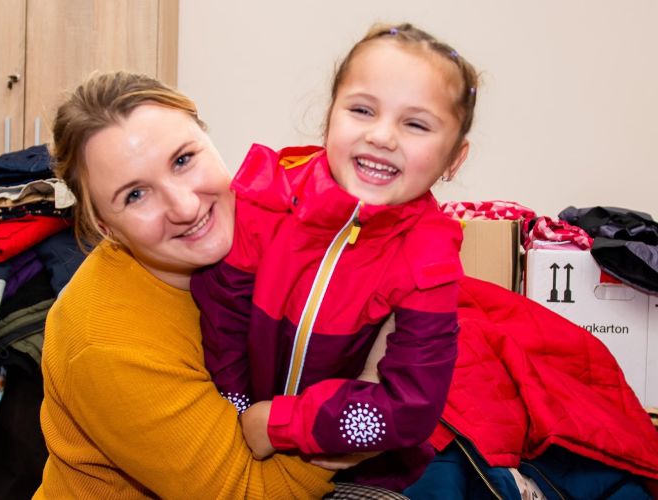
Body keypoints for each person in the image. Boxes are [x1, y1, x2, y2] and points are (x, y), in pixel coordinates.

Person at [191, 22, 479, 491]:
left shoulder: (430, 256)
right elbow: (221, 318)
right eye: (362, 110)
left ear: (454, 159)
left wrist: (279, 425)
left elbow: (411, 407)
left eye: (416, 124)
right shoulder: (269, 196)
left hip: (356, 465)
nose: (382, 136)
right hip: (232, 424)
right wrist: (239, 412)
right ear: (330, 117)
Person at [33, 71, 338, 498]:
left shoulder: (261, 228)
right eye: (135, 195)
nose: (185, 206)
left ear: (209, 140)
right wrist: (368, 408)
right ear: (107, 229)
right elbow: (249, 493)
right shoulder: (106, 342)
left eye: (183, 160)